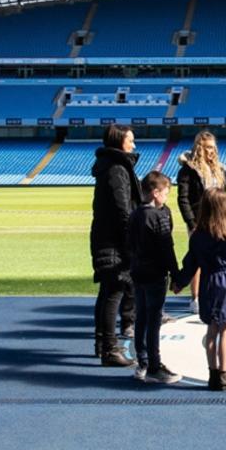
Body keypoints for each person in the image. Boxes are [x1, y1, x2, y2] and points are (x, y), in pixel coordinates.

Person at [172, 190, 226, 391]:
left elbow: (190, 263)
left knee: (211, 330)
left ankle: (213, 374)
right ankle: (224, 372)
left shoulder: (198, 235)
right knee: (225, 328)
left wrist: (179, 282)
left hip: (208, 281)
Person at [90, 124, 140, 367]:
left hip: (105, 236)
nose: (134, 144)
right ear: (120, 141)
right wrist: (131, 239)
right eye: (130, 140)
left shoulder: (109, 166)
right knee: (114, 292)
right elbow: (123, 210)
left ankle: (103, 344)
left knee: (108, 292)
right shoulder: (117, 169)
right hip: (114, 240)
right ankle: (110, 349)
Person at [128, 170, 181, 384]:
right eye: (166, 193)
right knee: (154, 320)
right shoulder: (157, 216)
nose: (167, 197)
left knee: (141, 317)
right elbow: (166, 247)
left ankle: (142, 360)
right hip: (155, 273)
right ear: (156, 193)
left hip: (138, 271)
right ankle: (154, 365)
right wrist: (176, 274)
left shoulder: (135, 214)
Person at [176, 131, 226, 313]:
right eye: (207, 147)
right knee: (196, 258)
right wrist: (191, 223)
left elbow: (225, 197)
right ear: (199, 147)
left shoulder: (221, 169)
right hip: (198, 221)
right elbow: (183, 199)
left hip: (219, 221)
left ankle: (215, 293)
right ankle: (195, 298)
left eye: (213, 147)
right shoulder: (188, 169)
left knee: (220, 257)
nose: (211, 151)